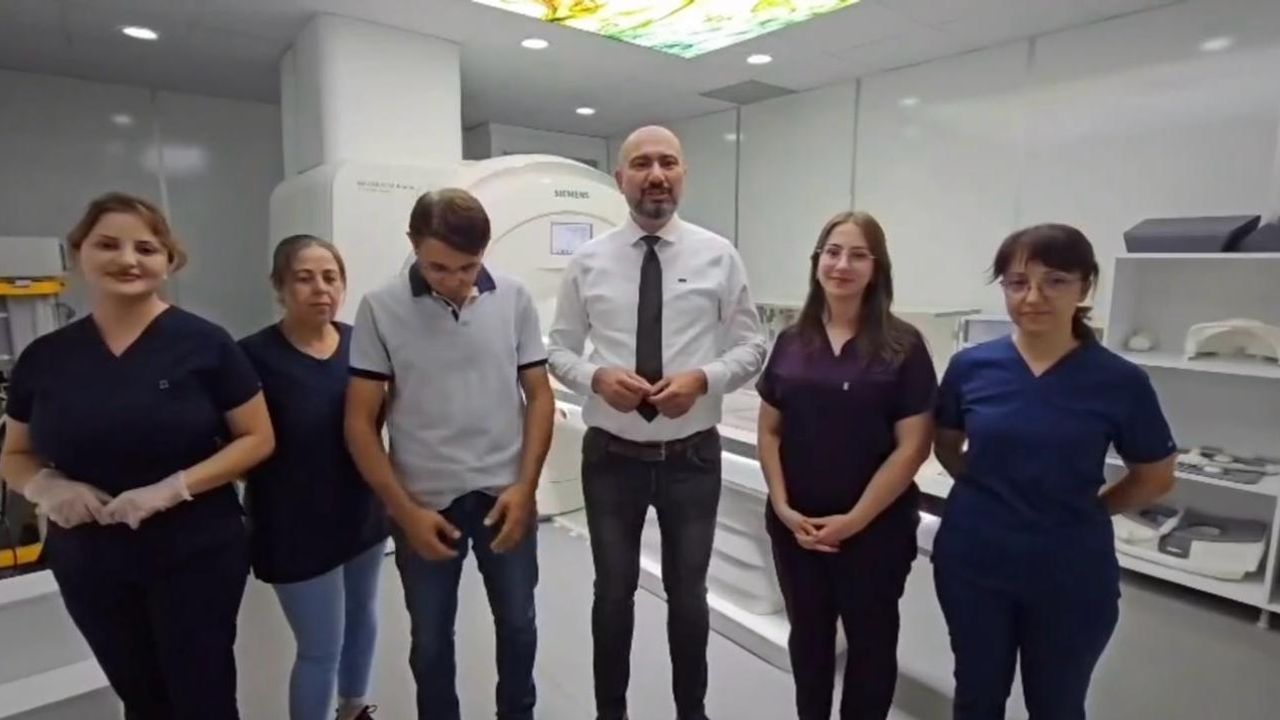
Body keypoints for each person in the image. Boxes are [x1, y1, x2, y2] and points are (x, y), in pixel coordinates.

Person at [0, 192, 275, 719]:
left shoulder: (206, 345)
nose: (128, 259)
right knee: (141, 698)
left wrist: (174, 488)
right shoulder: (45, 359)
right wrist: (45, 487)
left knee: (203, 698)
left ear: (169, 261)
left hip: (194, 551)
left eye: (146, 248)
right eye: (108, 245)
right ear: (79, 253)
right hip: (90, 559)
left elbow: (257, 439)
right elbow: (15, 452)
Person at [547, 125, 767, 720]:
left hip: (691, 460)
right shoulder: (588, 262)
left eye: (667, 163)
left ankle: (691, 712)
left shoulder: (718, 255)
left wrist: (703, 379)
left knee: (688, 597)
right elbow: (559, 349)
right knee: (612, 594)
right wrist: (596, 377)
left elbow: (752, 347)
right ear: (620, 179)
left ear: (683, 175)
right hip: (611, 459)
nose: (656, 175)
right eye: (641, 165)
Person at [932, 224, 1177, 720]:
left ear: (1086, 287)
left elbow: (1155, 475)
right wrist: (991, 493)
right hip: (973, 562)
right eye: (1017, 282)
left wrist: (1088, 511)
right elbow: (946, 444)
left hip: (1070, 573)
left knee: (1057, 704)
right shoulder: (970, 368)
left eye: (1055, 281)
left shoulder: (1119, 382)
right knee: (976, 697)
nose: (1033, 297)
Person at [344, 188, 555, 720]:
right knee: (431, 639)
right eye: (439, 268)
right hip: (424, 502)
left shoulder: (514, 298)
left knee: (519, 625)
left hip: (503, 496)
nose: (456, 281)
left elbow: (539, 395)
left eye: (468, 267)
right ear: (413, 244)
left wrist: (526, 488)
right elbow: (359, 424)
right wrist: (403, 510)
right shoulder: (381, 308)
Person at [756, 211, 935, 720]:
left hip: (875, 532)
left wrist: (854, 521)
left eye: (858, 255)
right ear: (817, 262)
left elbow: (913, 447)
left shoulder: (903, 346)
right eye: (832, 252)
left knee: (871, 646)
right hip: (797, 530)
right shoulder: (792, 341)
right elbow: (770, 430)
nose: (842, 265)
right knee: (808, 641)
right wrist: (783, 506)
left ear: (877, 269)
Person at [239, 235, 388, 720]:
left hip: (360, 511)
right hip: (294, 524)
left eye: (331, 277)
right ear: (279, 286)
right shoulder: (251, 358)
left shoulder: (361, 344)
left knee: (362, 617)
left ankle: (354, 708)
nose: (321, 289)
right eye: (304, 278)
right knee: (320, 646)